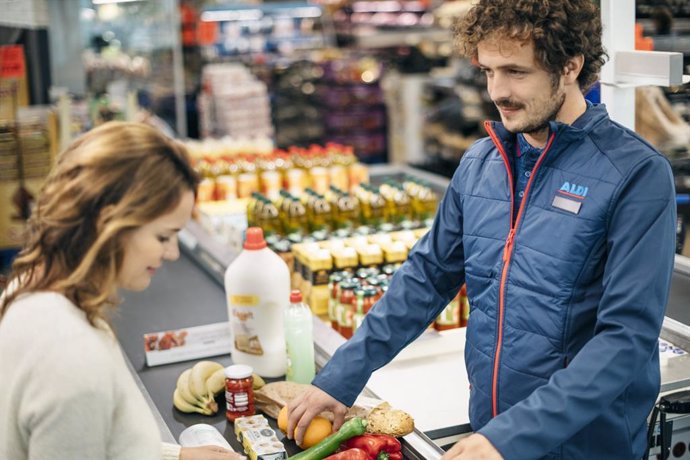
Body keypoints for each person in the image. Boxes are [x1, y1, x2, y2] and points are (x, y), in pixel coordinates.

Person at [286, 1, 677, 459]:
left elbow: (624, 341)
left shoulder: (635, 175)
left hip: (581, 446)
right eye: (488, 71)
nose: (498, 91)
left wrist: (509, 438)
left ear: (570, 66)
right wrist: (341, 377)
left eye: (516, 72)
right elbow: (427, 277)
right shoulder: (481, 164)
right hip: (490, 433)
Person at [0, 122, 244, 460]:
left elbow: (90, 440)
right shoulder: (72, 357)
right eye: (163, 236)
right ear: (109, 222)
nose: (172, 253)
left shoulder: (31, 288)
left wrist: (178, 457)